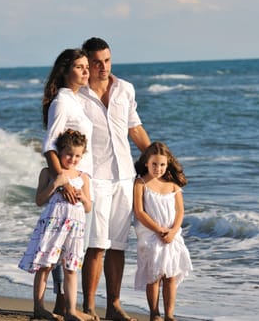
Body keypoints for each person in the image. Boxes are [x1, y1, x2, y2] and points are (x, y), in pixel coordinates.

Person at [78, 37, 151, 321]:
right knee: (96, 245)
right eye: (96, 62)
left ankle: (113, 306)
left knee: (118, 246)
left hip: (124, 178)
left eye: (107, 60)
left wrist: (159, 157)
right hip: (94, 178)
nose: (103, 67)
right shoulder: (77, 95)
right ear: (86, 62)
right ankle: (87, 307)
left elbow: (135, 128)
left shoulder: (125, 89)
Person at [29, 48, 94, 320]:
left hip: (79, 187)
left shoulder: (77, 100)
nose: (85, 71)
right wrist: (63, 181)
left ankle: (67, 308)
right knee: (52, 255)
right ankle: (49, 307)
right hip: (67, 186)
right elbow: (49, 145)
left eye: (86, 66)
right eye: (79, 67)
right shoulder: (61, 102)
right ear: (65, 71)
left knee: (71, 255)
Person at [18, 129, 92, 321]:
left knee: (71, 268)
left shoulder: (83, 177)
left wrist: (83, 197)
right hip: (54, 224)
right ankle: (39, 307)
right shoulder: (48, 173)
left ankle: (71, 310)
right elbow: (39, 200)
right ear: (58, 152)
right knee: (45, 265)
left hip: (75, 227)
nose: (73, 159)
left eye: (77, 155)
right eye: (69, 154)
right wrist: (56, 183)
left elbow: (89, 207)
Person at [132, 142, 192, 321]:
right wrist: (158, 230)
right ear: (146, 163)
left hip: (171, 236)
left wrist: (173, 231)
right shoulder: (140, 183)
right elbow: (139, 211)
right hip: (151, 235)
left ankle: (169, 314)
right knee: (154, 276)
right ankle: (154, 313)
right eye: (154, 164)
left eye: (162, 165)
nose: (158, 168)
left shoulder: (173, 185)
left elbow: (180, 211)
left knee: (170, 276)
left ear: (168, 164)